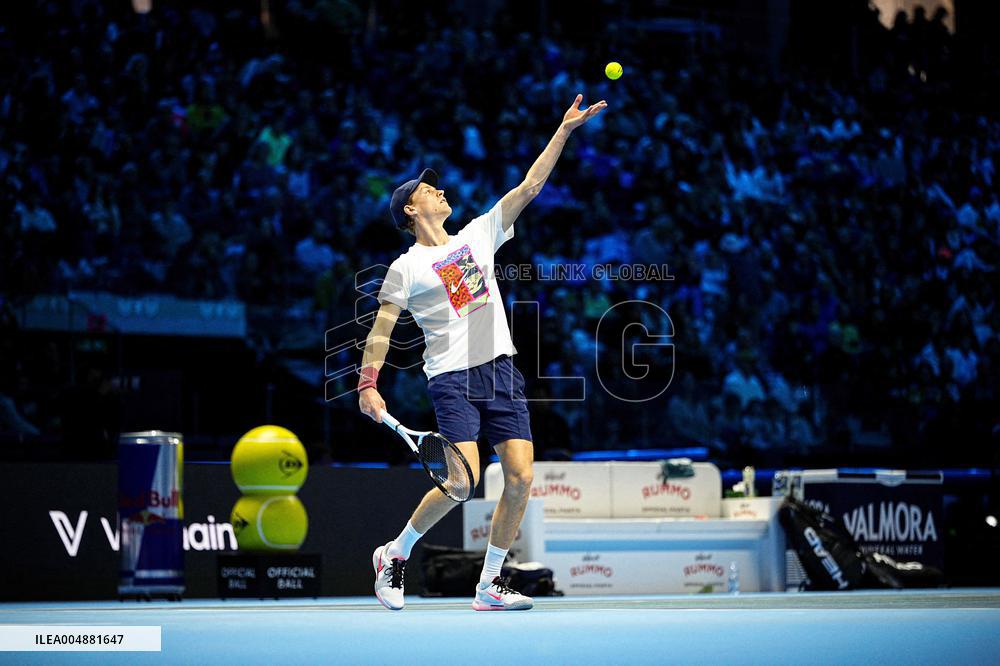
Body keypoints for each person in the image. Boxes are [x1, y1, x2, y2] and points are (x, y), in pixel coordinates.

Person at [357, 94, 607, 611]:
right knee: (462, 481)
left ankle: (490, 584)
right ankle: (395, 554)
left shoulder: (477, 234)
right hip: (451, 376)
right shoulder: (405, 267)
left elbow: (530, 186)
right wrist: (367, 383)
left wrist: (563, 130)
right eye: (430, 189)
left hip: (500, 369)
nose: (441, 190)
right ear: (411, 209)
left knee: (520, 477)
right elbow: (382, 326)